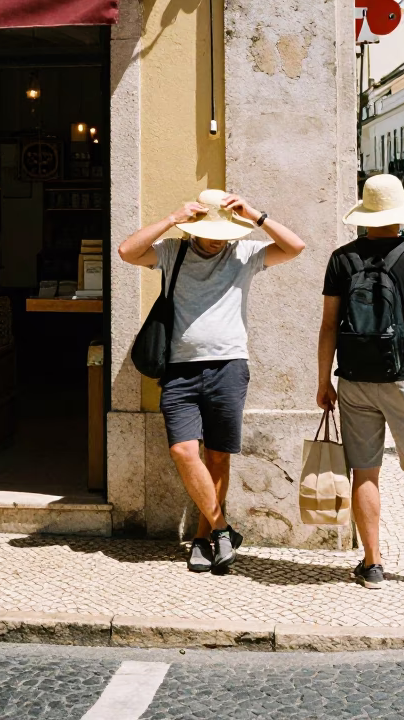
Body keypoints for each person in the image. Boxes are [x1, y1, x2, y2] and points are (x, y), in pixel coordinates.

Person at [118, 189, 305, 574]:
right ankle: (223, 527)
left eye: (224, 230)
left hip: (229, 367)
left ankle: (203, 539)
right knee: (184, 452)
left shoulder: (243, 255)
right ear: (196, 227)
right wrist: (172, 217)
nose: (218, 238)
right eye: (211, 230)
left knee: (218, 456)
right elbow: (126, 251)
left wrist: (255, 215)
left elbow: (295, 247)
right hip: (180, 370)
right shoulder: (173, 252)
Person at [317, 174, 404, 589]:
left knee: (365, 472)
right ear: (400, 216)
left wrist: (323, 380)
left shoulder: (341, 259)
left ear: (364, 215)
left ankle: (372, 564)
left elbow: (328, 326)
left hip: (354, 379)